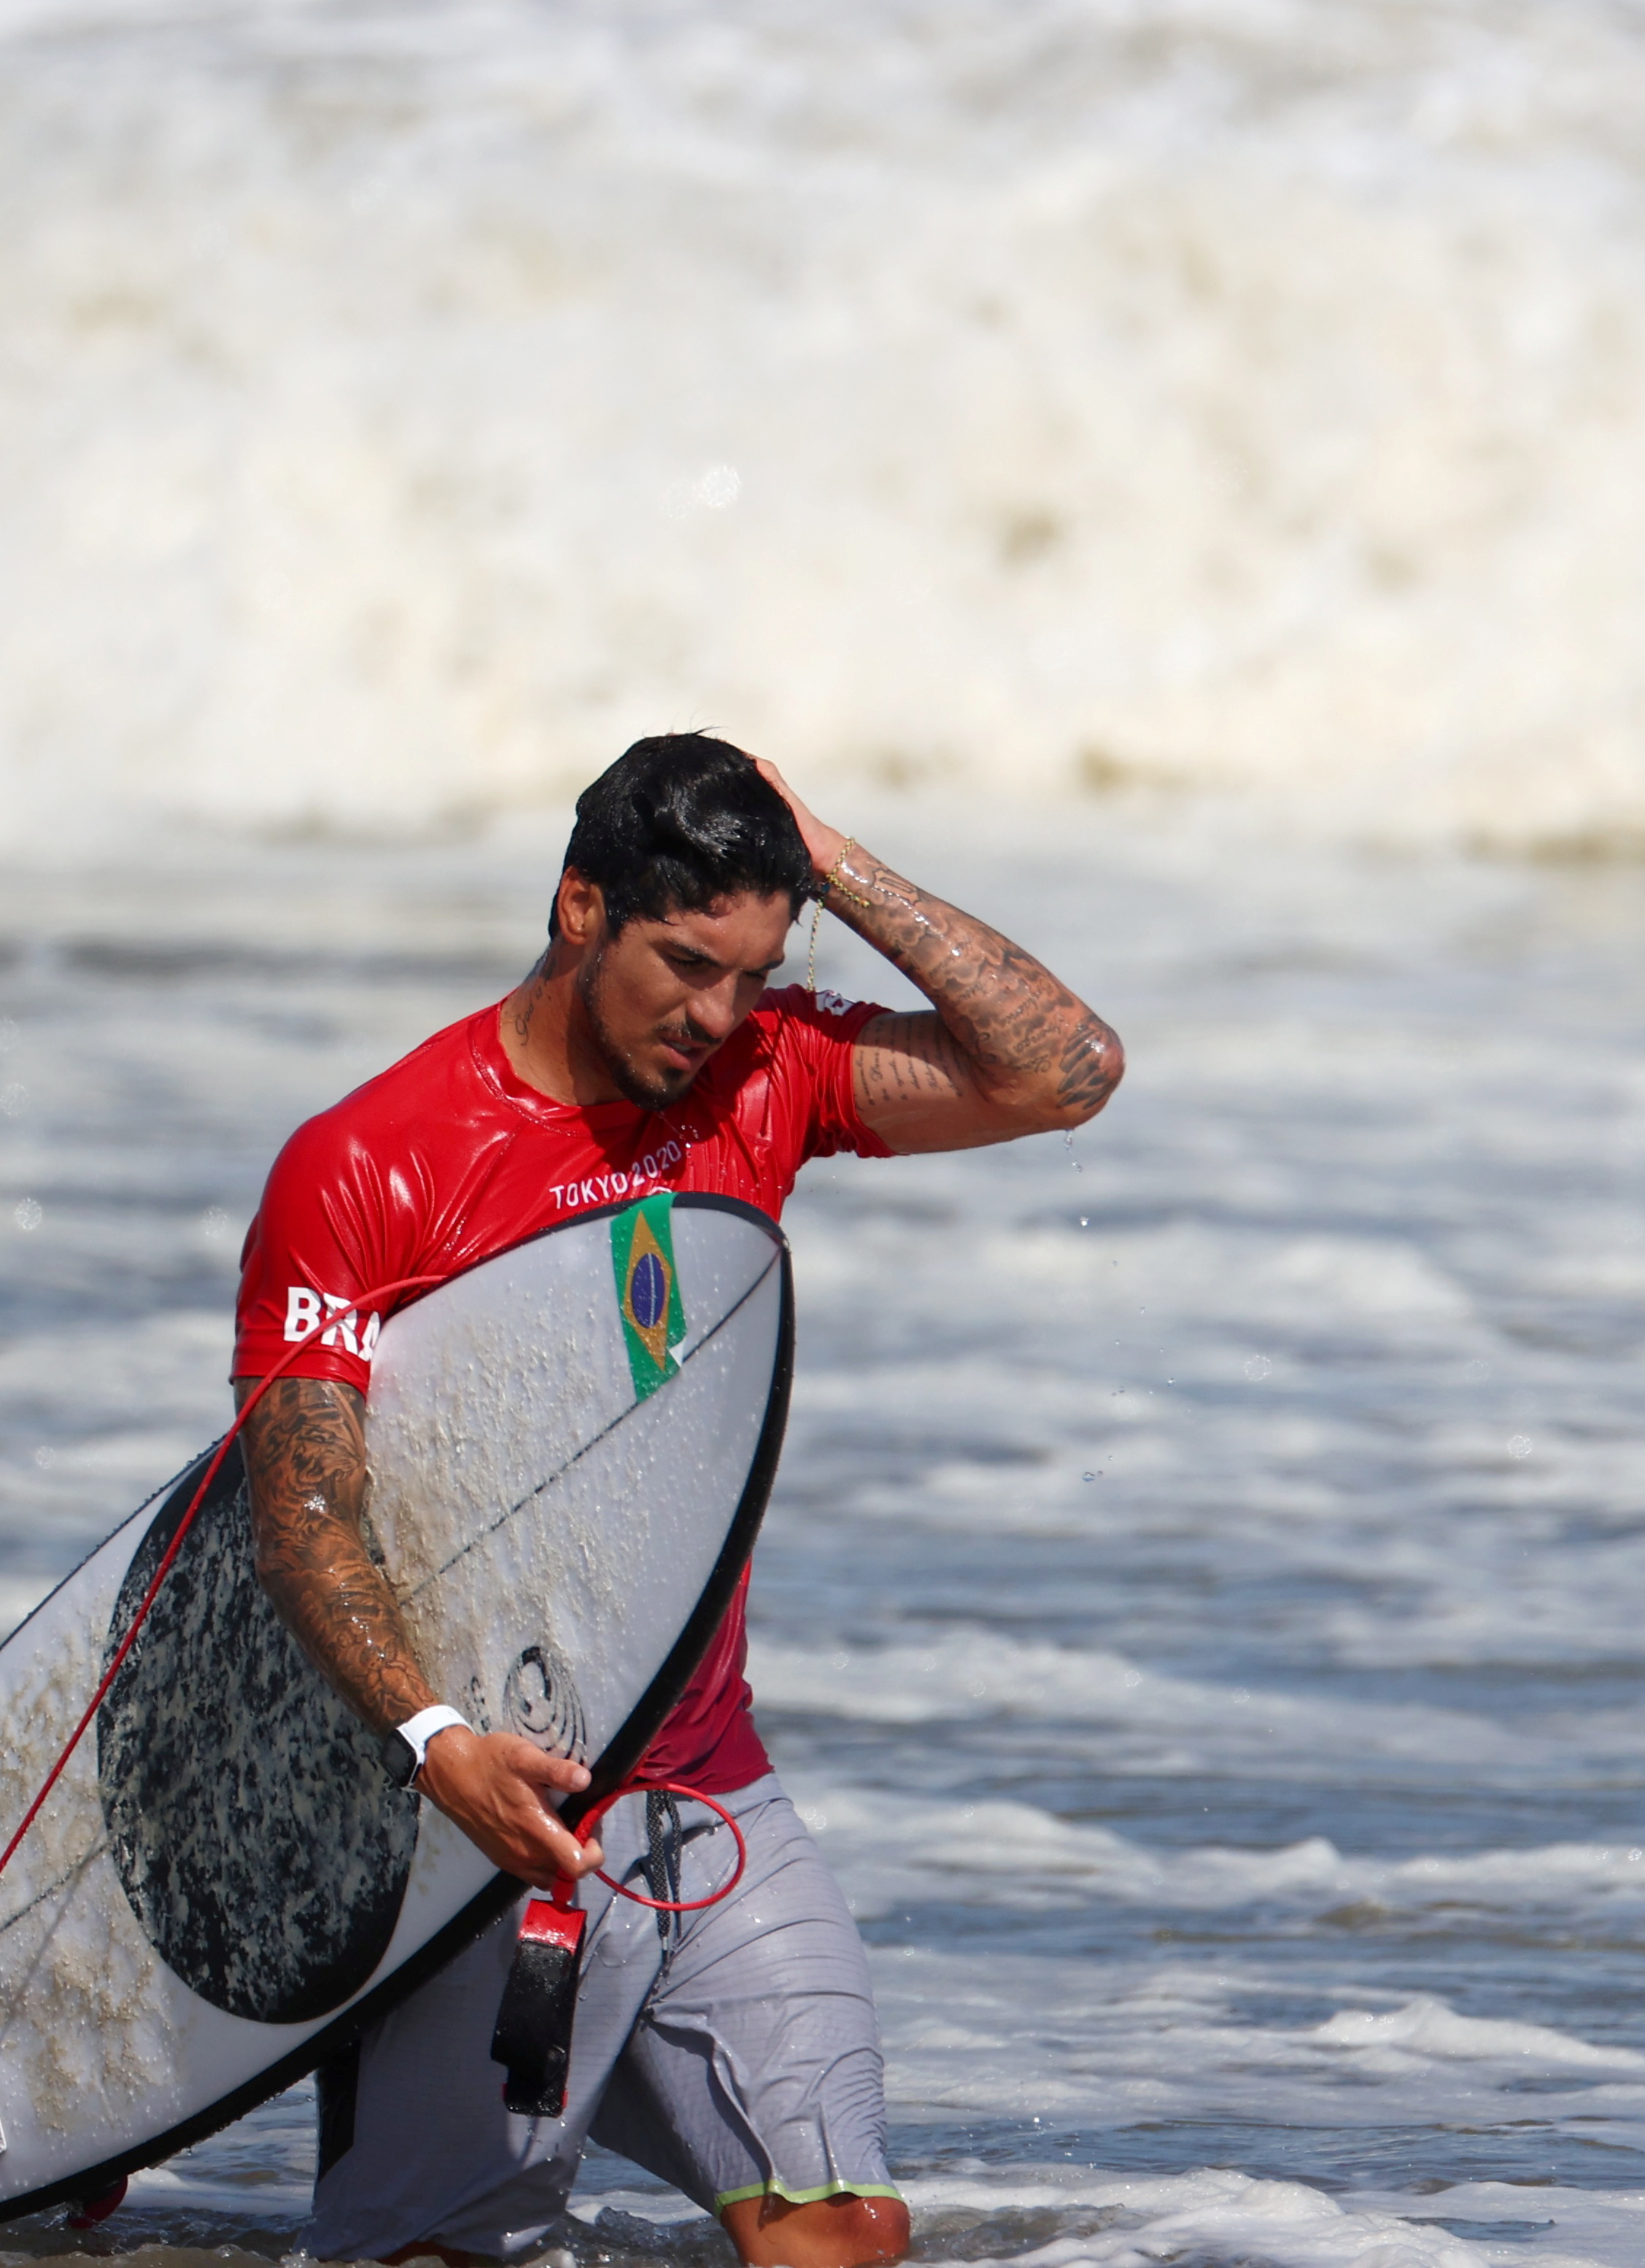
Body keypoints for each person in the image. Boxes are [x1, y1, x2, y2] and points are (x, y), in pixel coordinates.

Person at [228, 734, 1122, 2267]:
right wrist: (433, 1745)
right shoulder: (368, 1161)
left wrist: (824, 856)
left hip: (701, 1780)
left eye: (754, 971)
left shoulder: (761, 1077)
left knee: (840, 2236)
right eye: (685, 963)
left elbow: (1063, 1071)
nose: (715, 1017)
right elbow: (305, 1513)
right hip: (474, 1817)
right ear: (580, 907)